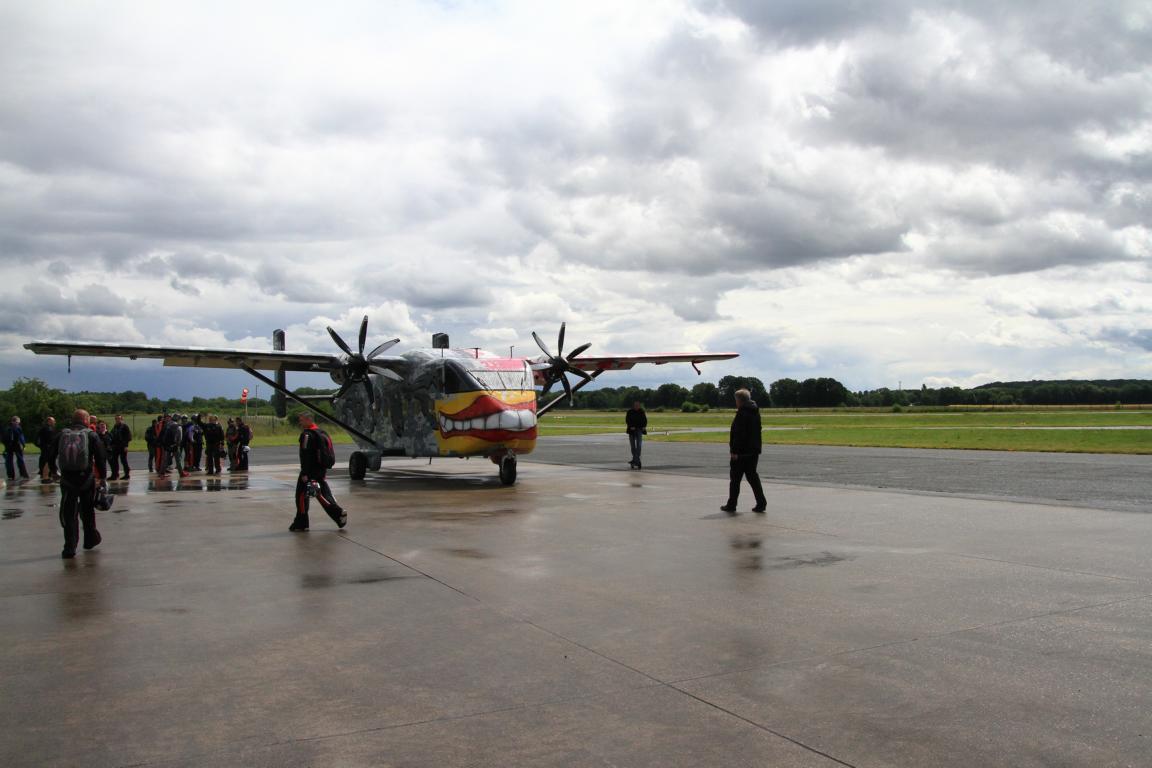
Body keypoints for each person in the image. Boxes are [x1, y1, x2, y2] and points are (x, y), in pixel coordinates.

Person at [56, 408, 107, 558]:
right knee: (87, 511)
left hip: (67, 479)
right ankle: (89, 540)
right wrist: (102, 477)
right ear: (86, 420)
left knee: (69, 513)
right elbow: (100, 457)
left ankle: (69, 547)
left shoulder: (62, 434)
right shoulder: (91, 435)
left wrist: (53, 471)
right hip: (86, 479)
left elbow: (50, 453)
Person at [290, 413, 346, 532]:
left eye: (302, 420)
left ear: (308, 420)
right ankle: (338, 514)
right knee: (322, 493)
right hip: (321, 470)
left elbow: (305, 455)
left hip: (310, 471)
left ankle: (302, 522)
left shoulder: (307, 435)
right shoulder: (322, 433)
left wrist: (305, 473)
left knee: (301, 495)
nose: (300, 423)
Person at [720, 388, 767, 514]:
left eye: (736, 400)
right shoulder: (755, 412)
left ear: (739, 400)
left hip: (741, 452)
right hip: (753, 451)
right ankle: (761, 503)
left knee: (735, 480)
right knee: (752, 477)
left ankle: (732, 504)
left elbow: (739, 434)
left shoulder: (742, 413)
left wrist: (734, 451)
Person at [4, 415, 30, 481]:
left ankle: (10, 475)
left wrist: (6, 446)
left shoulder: (7, 428)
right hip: (17, 445)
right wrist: (23, 445)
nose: (18, 423)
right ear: (16, 421)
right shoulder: (18, 428)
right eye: (18, 422)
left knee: (9, 461)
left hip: (9, 446)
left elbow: (4, 438)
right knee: (20, 460)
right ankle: (23, 474)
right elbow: (20, 437)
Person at [625, 400, 647, 469]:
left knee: (639, 445)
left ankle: (635, 460)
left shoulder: (642, 411)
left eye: (638, 405)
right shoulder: (630, 412)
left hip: (639, 430)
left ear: (639, 406)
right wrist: (631, 426)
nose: (636, 406)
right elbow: (627, 420)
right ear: (633, 406)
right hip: (631, 430)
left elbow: (645, 420)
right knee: (633, 446)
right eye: (635, 405)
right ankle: (636, 460)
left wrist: (644, 426)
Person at [109, 414, 132, 480]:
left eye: (119, 418)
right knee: (114, 461)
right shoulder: (115, 426)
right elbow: (112, 435)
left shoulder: (125, 426)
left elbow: (128, 437)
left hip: (122, 446)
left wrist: (126, 446)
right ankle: (115, 475)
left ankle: (127, 475)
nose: (117, 420)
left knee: (123, 461)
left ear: (122, 419)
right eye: (116, 419)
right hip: (115, 446)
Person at [37, 416, 59, 483]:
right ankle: (46, 477)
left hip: (44, 447)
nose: (55, 422)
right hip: (48, 448)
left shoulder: (44, 428)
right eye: (53, 421)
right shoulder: (48, 429)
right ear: (49, 421)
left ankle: (50, 474)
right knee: (47, 462)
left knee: (45, 461)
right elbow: (51, 439)